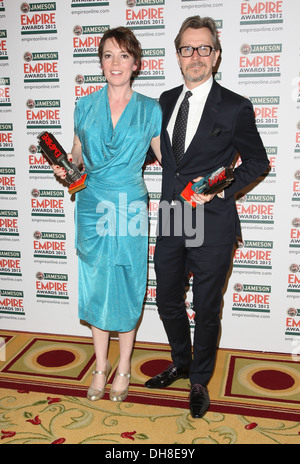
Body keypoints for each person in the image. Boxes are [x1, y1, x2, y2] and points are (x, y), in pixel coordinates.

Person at [144, 16, 269, 419]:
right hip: (172, 218)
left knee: (207, 307)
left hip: (212, 221)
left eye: (203, 48)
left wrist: (221, 190)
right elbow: (149, 154)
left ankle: (199, 380)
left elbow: (257, 162)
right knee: (166, 301)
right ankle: (181, 362)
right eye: (187, 48)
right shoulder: (162, 102)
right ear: (178, 55)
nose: (195, 56)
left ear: (215, 56)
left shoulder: (234, 106)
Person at [53, 27, 162, 403]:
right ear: (100, 62)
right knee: (98, 284)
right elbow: (76, 158)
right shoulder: (83, 107)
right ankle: (101, 367)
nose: (116, 63)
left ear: (136, 63)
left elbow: (169, 161)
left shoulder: (151, 109)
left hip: (130, 205)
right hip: (91, 204)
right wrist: (65, 168)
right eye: (108, 55)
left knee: (128, 284)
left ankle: (125, 367)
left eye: (124, 55)